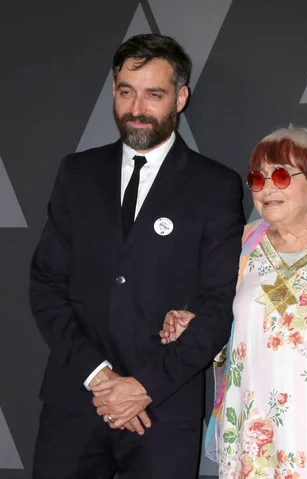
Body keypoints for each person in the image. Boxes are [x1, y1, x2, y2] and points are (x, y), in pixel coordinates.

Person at [29, 33, 244, 478]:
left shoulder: (215, 187)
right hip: (75, 400)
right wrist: (100, 378)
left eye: (154, 94)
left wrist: (144, 387)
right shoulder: (77, 173)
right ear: (113, 91)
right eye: (126, 92)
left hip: (164, 408)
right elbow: (46, 285)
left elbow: (220, 306)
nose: (137, 108)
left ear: (180, 98)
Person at [161, 126, 307, 478]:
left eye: (281, 175)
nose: (266, 188)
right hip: (258, 428)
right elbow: (233, 329)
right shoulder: (240, 247)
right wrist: (196, 325)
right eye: (257, 178)